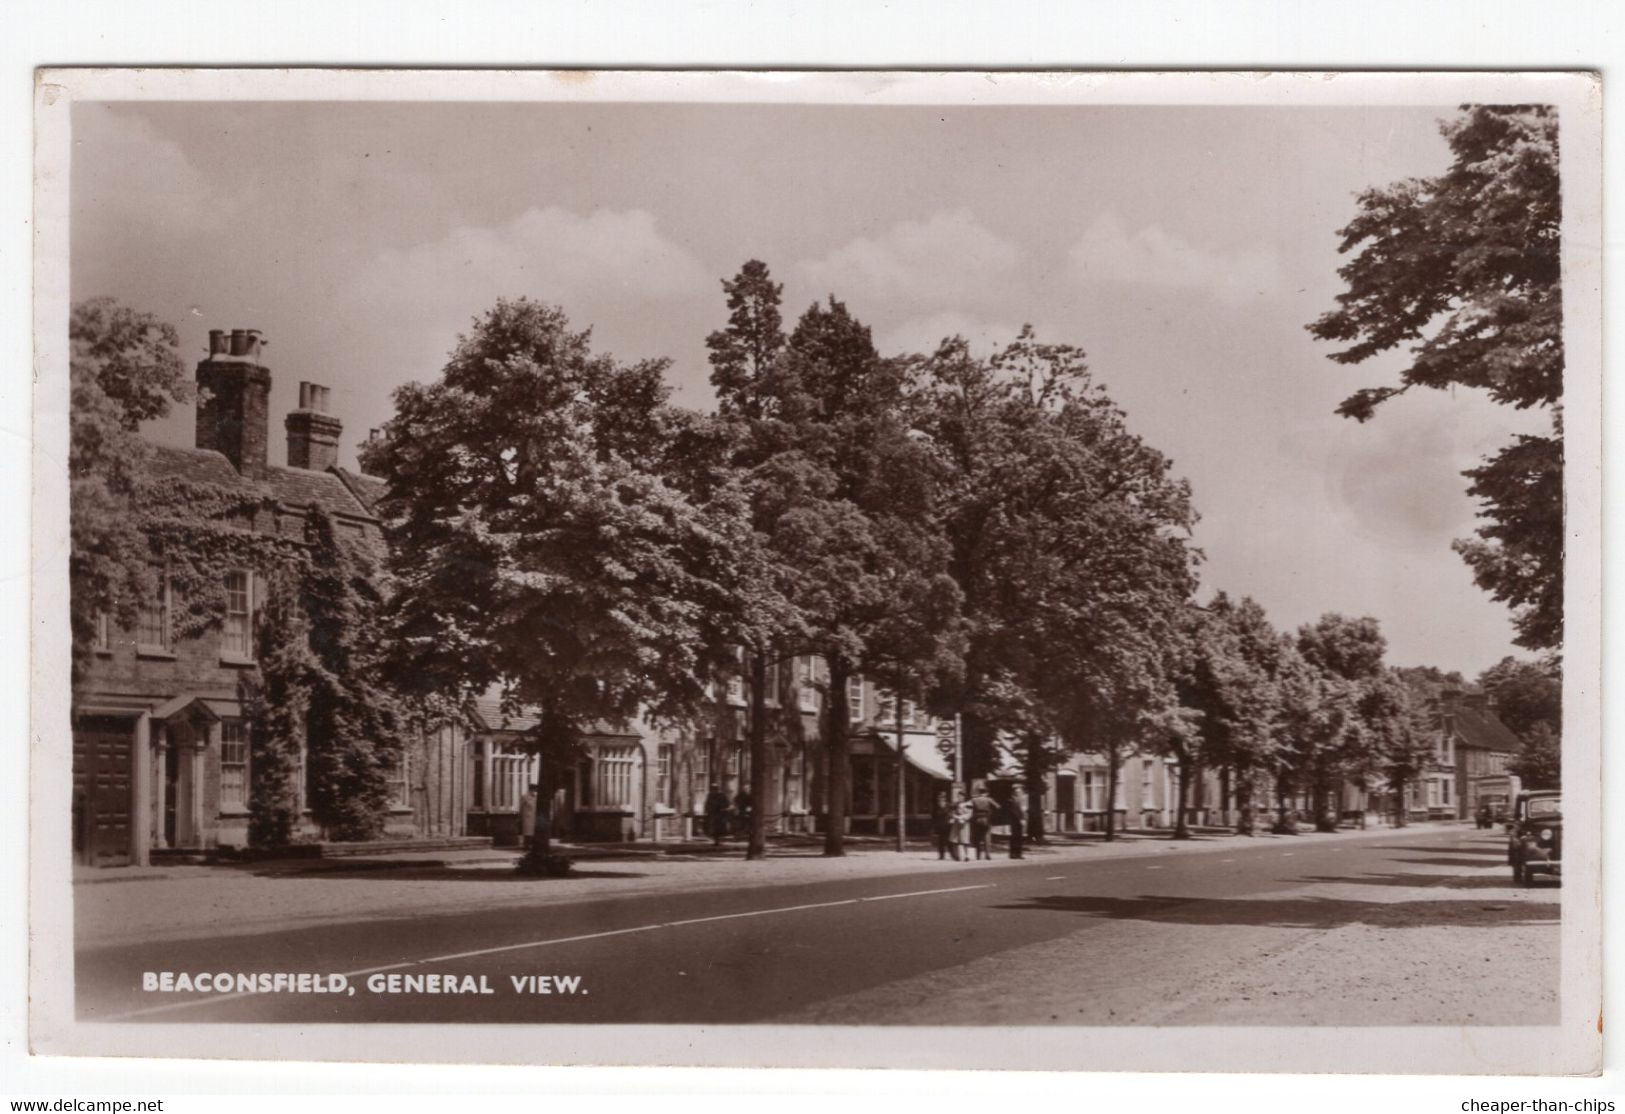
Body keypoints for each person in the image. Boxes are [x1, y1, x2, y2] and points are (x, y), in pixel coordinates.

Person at [969, 785, 997, 860]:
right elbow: (998, 807)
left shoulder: (974, 799)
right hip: (986, 819)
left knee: (977, 837)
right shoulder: (989, 799)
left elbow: (967, 806)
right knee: (987, 837)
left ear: (979, 792)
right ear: (986, 793)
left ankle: (978, 855)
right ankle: (987, 854)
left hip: (977, 820)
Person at [930, 790, 954, 860]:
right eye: (940, 797)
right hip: (940, 825)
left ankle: (952, 854)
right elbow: (934, 816)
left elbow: (951, 814)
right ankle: (941, 855)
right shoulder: (936, 807)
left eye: (943, 797)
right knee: (940, 841)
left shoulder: (948, 805)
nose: (941, 799)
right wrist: (934, 826)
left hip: (947, 825)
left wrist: (951, 819)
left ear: (945, 798)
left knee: (949, 840)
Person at [1006, 786, 1027, 860]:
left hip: (1018, 821)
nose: (1019, 793)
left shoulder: (1019, 800)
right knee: (1015, 837)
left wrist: (1023, 818)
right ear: (1014, 792)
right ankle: (1014, 854)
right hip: (1015, 821)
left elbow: (1021, 811)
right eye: (1017, 792)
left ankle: (1017, 853)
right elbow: (1014, 812)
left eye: (1020, 792)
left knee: (1018, 837)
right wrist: (1021, 819)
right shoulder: (1012, 800)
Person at [518, 783, 540, 851]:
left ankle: (531, 845)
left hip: (534, 817)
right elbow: (521, 807)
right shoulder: (525, 796)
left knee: (532, 832)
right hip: (527, 817)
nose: (535, 791)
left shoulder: (536, 797)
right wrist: (520, 816)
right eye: (534, 789)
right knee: (527, 833)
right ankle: (526, 845)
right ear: (530, 789)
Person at [951, 795, 973, 861]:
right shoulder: (955, 804)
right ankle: (956, 856)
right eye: (959, 797)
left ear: (964, 797)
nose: (960, 798)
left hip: (964, 824)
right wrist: (954, 817)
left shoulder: (968, 804)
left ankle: (966, 856)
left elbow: (970, 814)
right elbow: (952, 812)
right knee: (955, 840)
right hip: (956, 824)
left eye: (961, 796)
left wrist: (962, 818)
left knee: (965, 841)